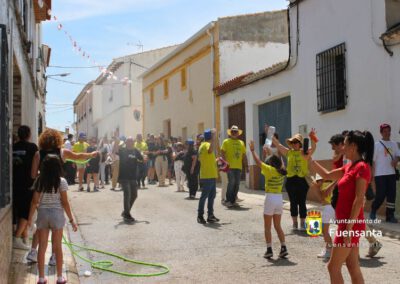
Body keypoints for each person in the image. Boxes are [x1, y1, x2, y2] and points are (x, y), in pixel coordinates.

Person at [310, 130, 374, 284]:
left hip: (349, 226)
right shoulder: (349, 167)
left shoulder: (362, 167)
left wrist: (348, 229)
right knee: (352, 266)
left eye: (344, 144)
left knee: (332, 267)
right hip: (346, 224)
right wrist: (309, 159)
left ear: (353, 146)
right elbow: (326, 174)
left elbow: (359, 200)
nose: (341, 148)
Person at [27, 129, 96, 264]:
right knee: (56, 227)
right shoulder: (62, 152)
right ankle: (54, 256)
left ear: (43, 140)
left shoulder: (38, 154)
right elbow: (78, 156)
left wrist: (42, 176)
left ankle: (33, 252)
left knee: (40, 224)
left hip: (42, 190)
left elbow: (33, 175)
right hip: (58, 188)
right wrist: (91, 154)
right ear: (57, 140)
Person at [27, 154, 78, 284]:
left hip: (43, 215)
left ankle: (41, 278)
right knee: (57, 247)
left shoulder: (39, 180)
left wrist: (29, 219)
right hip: (57, 215)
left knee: (42, 247)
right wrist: (72, 220)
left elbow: (34, 201)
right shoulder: (62, 181)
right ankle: (60, 278)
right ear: (58, 167)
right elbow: (65, 203)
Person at [249, 140, 288, 259]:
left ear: (270, 163)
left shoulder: (269, 170)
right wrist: (269, 152)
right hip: (279, 199)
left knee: (267, 227)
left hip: (270, 198)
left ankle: (269, 249)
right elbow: (279, 162)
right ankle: (283, 247)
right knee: (278, 226)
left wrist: (252, 151)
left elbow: (258, 162)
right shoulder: (282, 171)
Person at [272, 130, 316, 230]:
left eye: (296, 142)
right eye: (293, 142)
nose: (294, 144)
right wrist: (270, 134)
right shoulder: (288, 152)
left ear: (300, 143)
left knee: (302, 202)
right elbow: (278, 144)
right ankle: (295, 223)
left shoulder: (305, 153)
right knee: (293, 202)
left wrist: (312, 137)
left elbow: (313, 147)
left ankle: (302, 223)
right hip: (291, 180)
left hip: (302, 181)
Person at [12, 125, 38, 250]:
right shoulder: (32, 147)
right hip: (28, 184)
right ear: (29, 135)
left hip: (13, 183)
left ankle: (24, 237)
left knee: (20, 209)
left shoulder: (13, 147)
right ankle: (16, 238)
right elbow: (36, 164)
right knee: (26, 212)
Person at [371, 123, 399, 223]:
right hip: (380, 174)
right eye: (384, 131)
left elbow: (398, 155)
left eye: (388, 131)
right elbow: (373, 161)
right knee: (381, 195)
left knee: (391, 195)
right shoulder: (377, 145)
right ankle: (374, 209)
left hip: (391, 174)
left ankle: (390, 215)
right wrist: (372, 175)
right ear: (381, 133)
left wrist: (396, 159)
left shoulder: (394, 144)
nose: (387, 133)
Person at [221, 125, 249, 207]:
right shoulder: (226, 141)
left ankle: (233, 200)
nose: (234, 133)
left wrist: (246, 166)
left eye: (235, 131)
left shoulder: (241, 143)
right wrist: (225, 163)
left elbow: (244, 155)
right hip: (229, 167)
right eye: (232, 131)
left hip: (238, 167)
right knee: (231, 182)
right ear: (230, 133)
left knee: (237, 184)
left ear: (238, 133)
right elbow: (222, 152)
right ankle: (228, 200)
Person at [116, 137, 143, 222]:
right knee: (127, 194)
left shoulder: (135, 151)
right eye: (128, 141)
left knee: (134, 195)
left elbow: (141, 159)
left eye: (132, 141)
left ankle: (125, 212)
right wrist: (119, 142)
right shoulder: (122, 150)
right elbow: (115, 150)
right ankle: (127, 214)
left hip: (133, 177)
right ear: (126, 142)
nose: (130, 143)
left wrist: (144, 159)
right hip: (124, 176)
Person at [311, 174, 336, 259]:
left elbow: (321, 199)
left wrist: (315, 188)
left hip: (328, 208)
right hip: (336, 207)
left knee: (324, 230)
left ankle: (329, 250)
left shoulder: (322, 185)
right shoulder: (334, 181)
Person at [197, 129, 219, 224]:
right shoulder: (206, 145)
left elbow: (207, 158)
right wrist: (214, 138)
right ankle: (200, 215)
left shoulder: (202, 146)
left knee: (211, 196)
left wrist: (217, 160)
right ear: (210, 137)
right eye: (213, 136)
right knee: (205, 196)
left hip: (209, 174)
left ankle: (210, 215)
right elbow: (210, 150)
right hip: (208, 175)